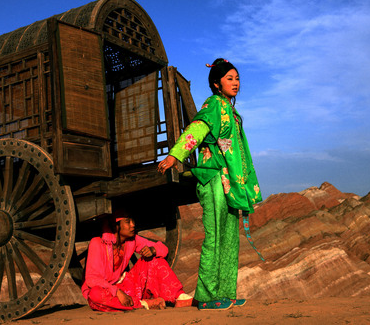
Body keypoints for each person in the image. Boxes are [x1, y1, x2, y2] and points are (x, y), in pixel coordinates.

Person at [157, 58, 263, 311]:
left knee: (229, 237)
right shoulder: (214, 105)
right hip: (214, 175)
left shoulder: (231, 110)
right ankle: (205, 296)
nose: (235, 83)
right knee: (214, 235)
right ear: (216, 84)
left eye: (237, 78)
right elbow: (198, 128)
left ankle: (225, 292)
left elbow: (235, 148)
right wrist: (176, 155)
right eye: (230, 79)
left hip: (229, 180)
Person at [81, 211, 193, 312]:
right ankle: (142, 304)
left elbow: (163, 249)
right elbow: (92, 279)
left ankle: (180, 297)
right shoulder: (97, 243)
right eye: (127, 222)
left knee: (154, 260)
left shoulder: (132, 240)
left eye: (132, 221)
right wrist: (117, 292)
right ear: (116, 226)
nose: (133, 225)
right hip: (108, 291)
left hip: (126, 288)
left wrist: (153, 250)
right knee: (95, 295)